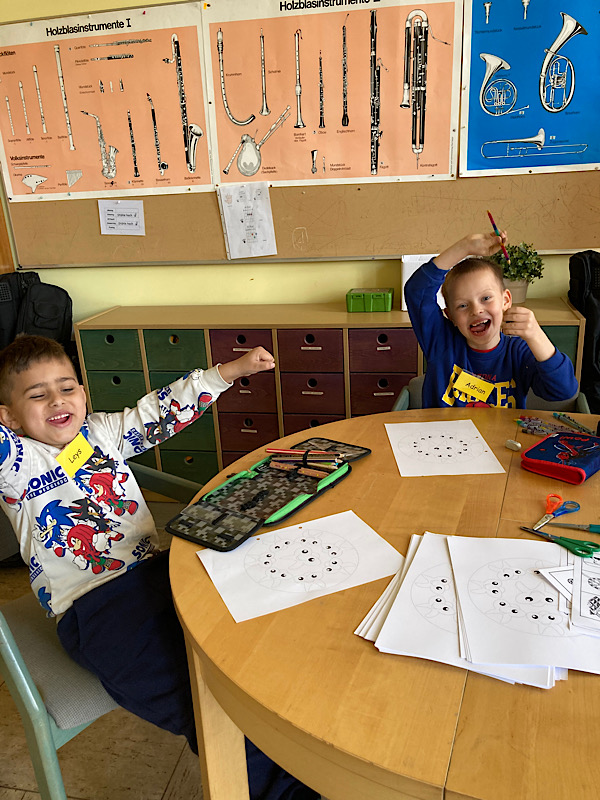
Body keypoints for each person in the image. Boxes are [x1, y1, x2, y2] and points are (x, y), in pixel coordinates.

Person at [0, 334, 319, 800]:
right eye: (37, 394)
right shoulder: (16, 464)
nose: (57, 400)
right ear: (9, 417)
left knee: (261, 640)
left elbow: (158, 412)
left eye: (66, 387)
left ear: (83, 392)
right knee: (203, 705)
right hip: (98, 609)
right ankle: (280, 787)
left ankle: (303, 744)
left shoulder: (101, 432)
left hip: (162, 573)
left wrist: (228, 373)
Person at [405, 231, 578, 408]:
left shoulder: (518, 352)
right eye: (462, 305)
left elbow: (563, 390)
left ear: (506, 300)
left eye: (486, 298)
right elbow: (417, 290)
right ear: (450, 316)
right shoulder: (441, 342)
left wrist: (536, 335)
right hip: (445, 427)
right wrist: (464, 247)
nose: (476, 310)